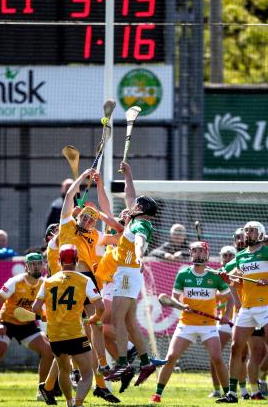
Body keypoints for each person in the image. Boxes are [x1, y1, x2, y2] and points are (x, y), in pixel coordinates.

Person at [56, 168, 119, 403]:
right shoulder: (67, 225)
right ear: (78, 215)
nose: (87, 220)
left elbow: (118, 232)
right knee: (71, 330)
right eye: (85, 216)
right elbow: (69, 197)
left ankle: (102, 365)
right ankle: (68, 375)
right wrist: (83, 177)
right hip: (68, 280)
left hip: (89, 281)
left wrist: (109, 219)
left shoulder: (95, 236)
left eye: (92, 219)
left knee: (97, 323)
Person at [104, 161, 165, 387]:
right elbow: (131, 195)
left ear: (139, 209)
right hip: (128, 273)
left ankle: (121, 363)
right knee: (129, 321)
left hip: (128, 273)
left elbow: (140, 241)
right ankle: (146, 362)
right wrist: (128, 175)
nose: (131, 205)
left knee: (117, 319)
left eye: (135, 205)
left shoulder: (140, 226)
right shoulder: (137, 218)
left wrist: (139, 256)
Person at [220, 221, 268, 404]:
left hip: (266, 307)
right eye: (246, 231)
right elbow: (239, 283)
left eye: (252, 231)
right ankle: (232, 393)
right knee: (235, 348)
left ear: (260, 234)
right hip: (246, 309)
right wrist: (227, 279)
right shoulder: (241, 256)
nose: (248, 234)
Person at [151, 241, 232, 403]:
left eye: (201, 251)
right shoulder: (183, 274)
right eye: (194, 251)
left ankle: (229, 394)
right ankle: (157, 394)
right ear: (191, 254)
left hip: (208, 325)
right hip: (186, 324)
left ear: (207, 254)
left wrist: (227, 315)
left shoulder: (215, 276)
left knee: (217, 358)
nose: (198, 254)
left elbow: (230, 297)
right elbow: (173, 298)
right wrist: (182, 306)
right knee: (171, 356)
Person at [0, 253, 54, 402]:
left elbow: (48, 308)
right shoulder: (15, 282)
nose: (36, 266)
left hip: (27, 325)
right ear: (26, 267)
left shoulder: (45, 284)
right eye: (33, 264)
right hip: (7, 323)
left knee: (48, 351)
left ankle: (42, 390)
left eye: (39, 263)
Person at [34, 244, 104, 407]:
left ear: (59, 260)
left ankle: (68, 401)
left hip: (55, 335)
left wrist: (44, 316)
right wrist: (94, 317)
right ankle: (78, 403)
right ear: (77, 260)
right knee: (87, 374)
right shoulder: (84, 280)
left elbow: (35, 308)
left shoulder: (48, 281)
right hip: (76, 334)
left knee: (64, 370)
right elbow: (100, 307)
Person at [207, 245, 238, 398]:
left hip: (240, 319)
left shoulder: (239, 271)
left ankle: (247, 388)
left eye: (230, 255)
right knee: (215, 355)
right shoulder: (214, 275)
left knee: (243, 355)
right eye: (224, 255)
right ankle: (217, 389)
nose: (227, 258)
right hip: (223, 320)